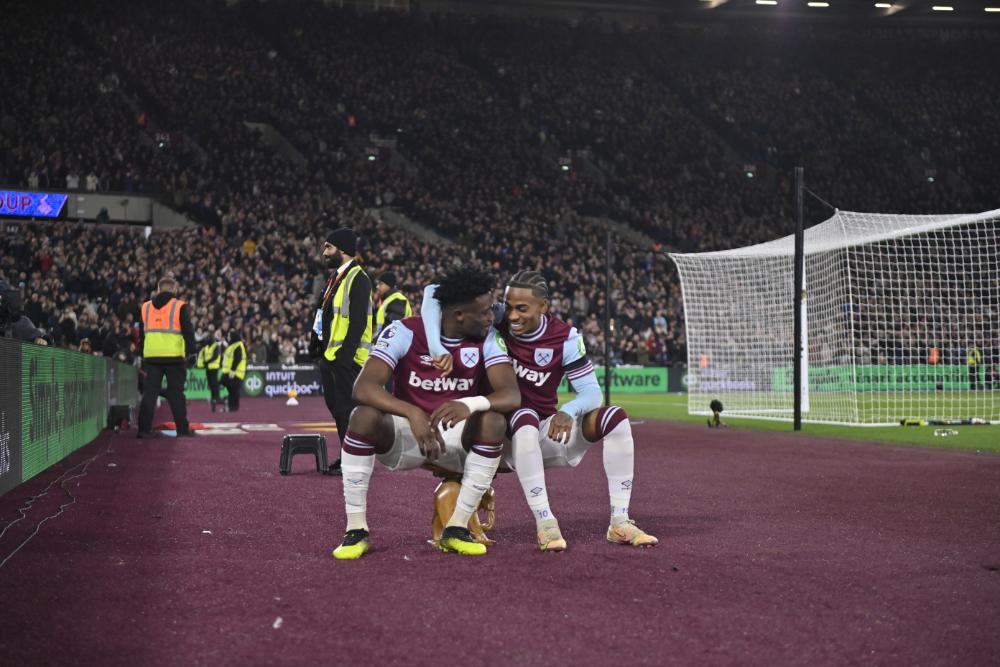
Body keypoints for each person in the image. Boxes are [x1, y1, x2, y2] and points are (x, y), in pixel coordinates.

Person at [423, 270, 658, 551]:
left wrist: (568, 410)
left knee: (615, 417)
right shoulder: (494, 319)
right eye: (508, 307)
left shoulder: (565, 337)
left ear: (544, 306)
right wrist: (436, 347)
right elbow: (431, 292)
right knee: (524, 415)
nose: (511, 316)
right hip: (498, 437)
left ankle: (620, 522)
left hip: (544, 434)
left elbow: (592, 392)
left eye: (522, 309)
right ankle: (545, 523)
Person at [331, 266, 520, 560]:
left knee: (493, 420)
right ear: (459, 315)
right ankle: (356, 530)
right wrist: (413, 413)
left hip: (458, 439)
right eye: (483, 312)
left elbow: (510, 394)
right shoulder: (405, 331)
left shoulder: (487, 337)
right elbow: (363, 387)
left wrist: (469, 404)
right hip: (409, 435)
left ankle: (457, 528)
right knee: (362, 416)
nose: (491, 317)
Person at [311, 228, 372, 476]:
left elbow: (357, 322)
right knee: (337, 408)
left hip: (346, 359)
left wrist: (344, 358)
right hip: (331, 357)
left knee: (347, 410)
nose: (324, 252)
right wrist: (315, 345)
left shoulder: (359, 278)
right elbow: (323, 315)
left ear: (343, 250)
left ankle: (355, 461)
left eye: (328, 247)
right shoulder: (335, 278)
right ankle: (349, 456)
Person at [137, 276, 195, 439]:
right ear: (174, 289)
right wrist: (192, 353)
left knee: (150, 394)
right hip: (174, 357)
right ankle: (182, 430)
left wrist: (142, 355)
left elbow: (142, 335)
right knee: (176, 394)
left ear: (158, 289)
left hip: (152, 357)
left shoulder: (146, 307)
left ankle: (143, 430)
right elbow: (188, 331)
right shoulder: (179, 306)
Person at [374, 271, 412, 340]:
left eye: (380, 284)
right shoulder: (389, 299)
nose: (377, 286)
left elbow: (391, 328)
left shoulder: (397, 299)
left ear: (388, 285)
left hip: (390, 345)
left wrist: (376, 341)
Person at [196, 330, 224, 411]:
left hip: (214, 368)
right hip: (208, 368)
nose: (206, 340)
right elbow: (203, 357)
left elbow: (215, 356)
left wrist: (206, 362)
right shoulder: (206, 348)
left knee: (214, 383)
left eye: (208, 339)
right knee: (210, 384)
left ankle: (217, 397)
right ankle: (214, 398)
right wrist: (203, 364)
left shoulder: (216, 346)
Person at [221, 329, 247, 412]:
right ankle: (230, 404)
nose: (228, 337)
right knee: (231, 390)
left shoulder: (238, 346)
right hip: (230, 372)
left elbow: (237, 359)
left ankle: (234, 407)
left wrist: (232, 370)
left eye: (229, 336)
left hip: (236, 372)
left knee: (234, 391)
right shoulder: (233, 345)